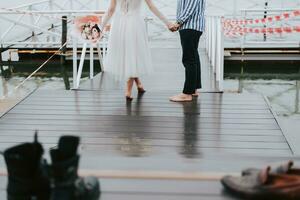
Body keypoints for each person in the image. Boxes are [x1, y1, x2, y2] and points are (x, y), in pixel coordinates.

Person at [99, 0, 175, 101]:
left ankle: (138, 84)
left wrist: (100, 27)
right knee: (133, 54)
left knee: (127, 53)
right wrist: (168, 23)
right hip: (134, 24)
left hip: (119, 24)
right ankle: (128, 90)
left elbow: (111, 10)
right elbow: (152, 7)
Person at [169, 0, 206, 102]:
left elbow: (190, 7)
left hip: (190, 26)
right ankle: (193, 89)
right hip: (192, 26)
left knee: (188, 59)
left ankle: (187, 93)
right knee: (193, 57)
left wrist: (178, 23)